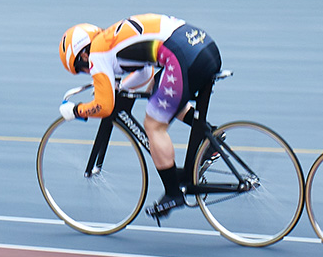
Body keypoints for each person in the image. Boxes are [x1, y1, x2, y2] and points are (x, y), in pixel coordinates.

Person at [59, 14, 220, 220]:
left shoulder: (97, 53)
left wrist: (76, 111)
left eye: (81, 68)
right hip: (203, 46)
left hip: (183, 57)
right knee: (157, 88)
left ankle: (173, 193)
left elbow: (104, 107)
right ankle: (210, 137)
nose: (87, 71)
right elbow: (144, 74)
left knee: (153, 125)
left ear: (82, 55)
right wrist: (120, 87)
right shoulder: (110, 40)